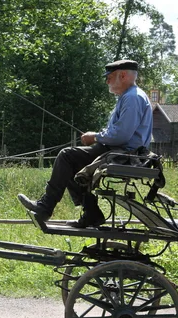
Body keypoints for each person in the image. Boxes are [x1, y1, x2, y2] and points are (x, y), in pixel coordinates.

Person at [17, 59, 153, 228]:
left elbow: (121, 135)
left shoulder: (132, 98)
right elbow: (119, 132)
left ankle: (45, 208)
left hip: (124, 154)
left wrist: (95, 137)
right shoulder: (130, 97)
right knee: (73, 162)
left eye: (109, 77)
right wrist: (98, 137)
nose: (107, 81)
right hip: (119, 152)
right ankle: (91, 214)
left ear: (123, 75)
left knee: (67, 157)